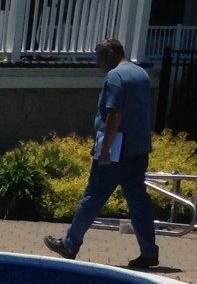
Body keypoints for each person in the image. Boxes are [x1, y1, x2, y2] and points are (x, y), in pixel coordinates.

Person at [45, 38, 161, 269]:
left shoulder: (115, 77)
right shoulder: (141, 74)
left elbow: (114, 115)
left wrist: (105, 150)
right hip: (138, 150)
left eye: (99, 57)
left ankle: (70, 244)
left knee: (93, 197)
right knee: (139, 202)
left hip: (116, 151)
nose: (98, 62)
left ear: (110, 54)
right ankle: (149, 252)